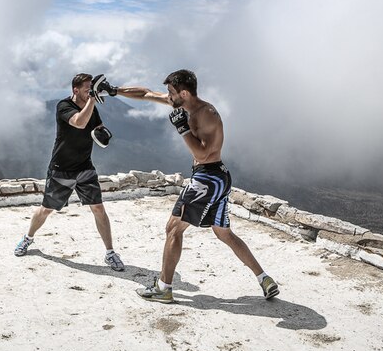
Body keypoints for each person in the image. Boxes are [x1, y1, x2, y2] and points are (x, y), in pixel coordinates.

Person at [112, 69, 279, 302]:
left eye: (171, 92)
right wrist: (114, 90)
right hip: (218, 178)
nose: (167, 96)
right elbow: (147, 94)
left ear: (184, 92)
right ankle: (264, 279)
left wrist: (182, 130)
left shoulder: (206, 114)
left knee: (173, 228)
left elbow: (203, 154)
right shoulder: (183, 103)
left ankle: (164, 288)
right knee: (224, 234)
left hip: (207, 179)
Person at [14, 73, 125, 272]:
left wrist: (102, 133)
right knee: (46, 209)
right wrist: (92, 99)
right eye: (87, 89)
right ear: (75, 90)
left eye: (92, 88)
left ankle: (110, 252)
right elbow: (79, 123)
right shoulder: (64, 106)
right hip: (61, 169)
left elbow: (96, 126)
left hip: (85, 168)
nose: (91, 92)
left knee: (99, 208)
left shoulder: (92, 107)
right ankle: (27, 238)